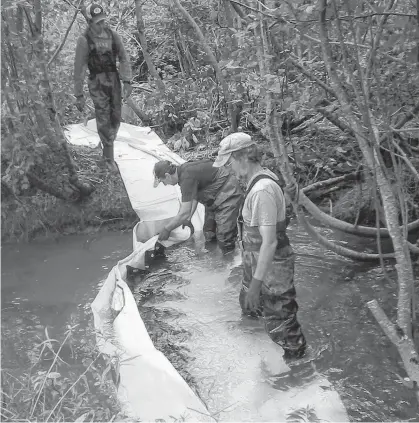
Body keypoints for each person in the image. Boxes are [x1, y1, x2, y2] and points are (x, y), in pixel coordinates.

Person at [213, 132, 307, 361]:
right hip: (256, 266)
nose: (228, 169)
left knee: (282, 322)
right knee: (250, 310)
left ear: (243, 157)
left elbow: (270, 241)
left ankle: (299, 371)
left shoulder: (262, 190)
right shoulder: (259, 181)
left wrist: (255, 286)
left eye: (230, 163)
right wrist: (251, 284)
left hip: (272, 272)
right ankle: (257, 357)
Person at [74, 3, 133, 171]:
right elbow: (79, 68)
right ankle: (108, 158)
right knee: (103, 117)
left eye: (103, 21)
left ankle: (107, 144)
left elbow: (123, 57)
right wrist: (78, 94)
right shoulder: (84, 40)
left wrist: (127, 80)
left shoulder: (113, 36)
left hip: (113, 79)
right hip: (97, 82)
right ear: (90, 21)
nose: (101, 25)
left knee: (115, 116)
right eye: (97, 22)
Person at [153, 158, 243, 255]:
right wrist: (189, 218)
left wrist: (167, 229)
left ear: (167, 176)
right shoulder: (183, 171)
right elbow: (194, 197)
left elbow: (184, 212)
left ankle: (230, 263)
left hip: (228, 193)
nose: (165, 185)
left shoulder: (186, 177)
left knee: (225, 238)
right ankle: (213, 260)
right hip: (214, 199)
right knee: (209, 233)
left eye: (163, 182)